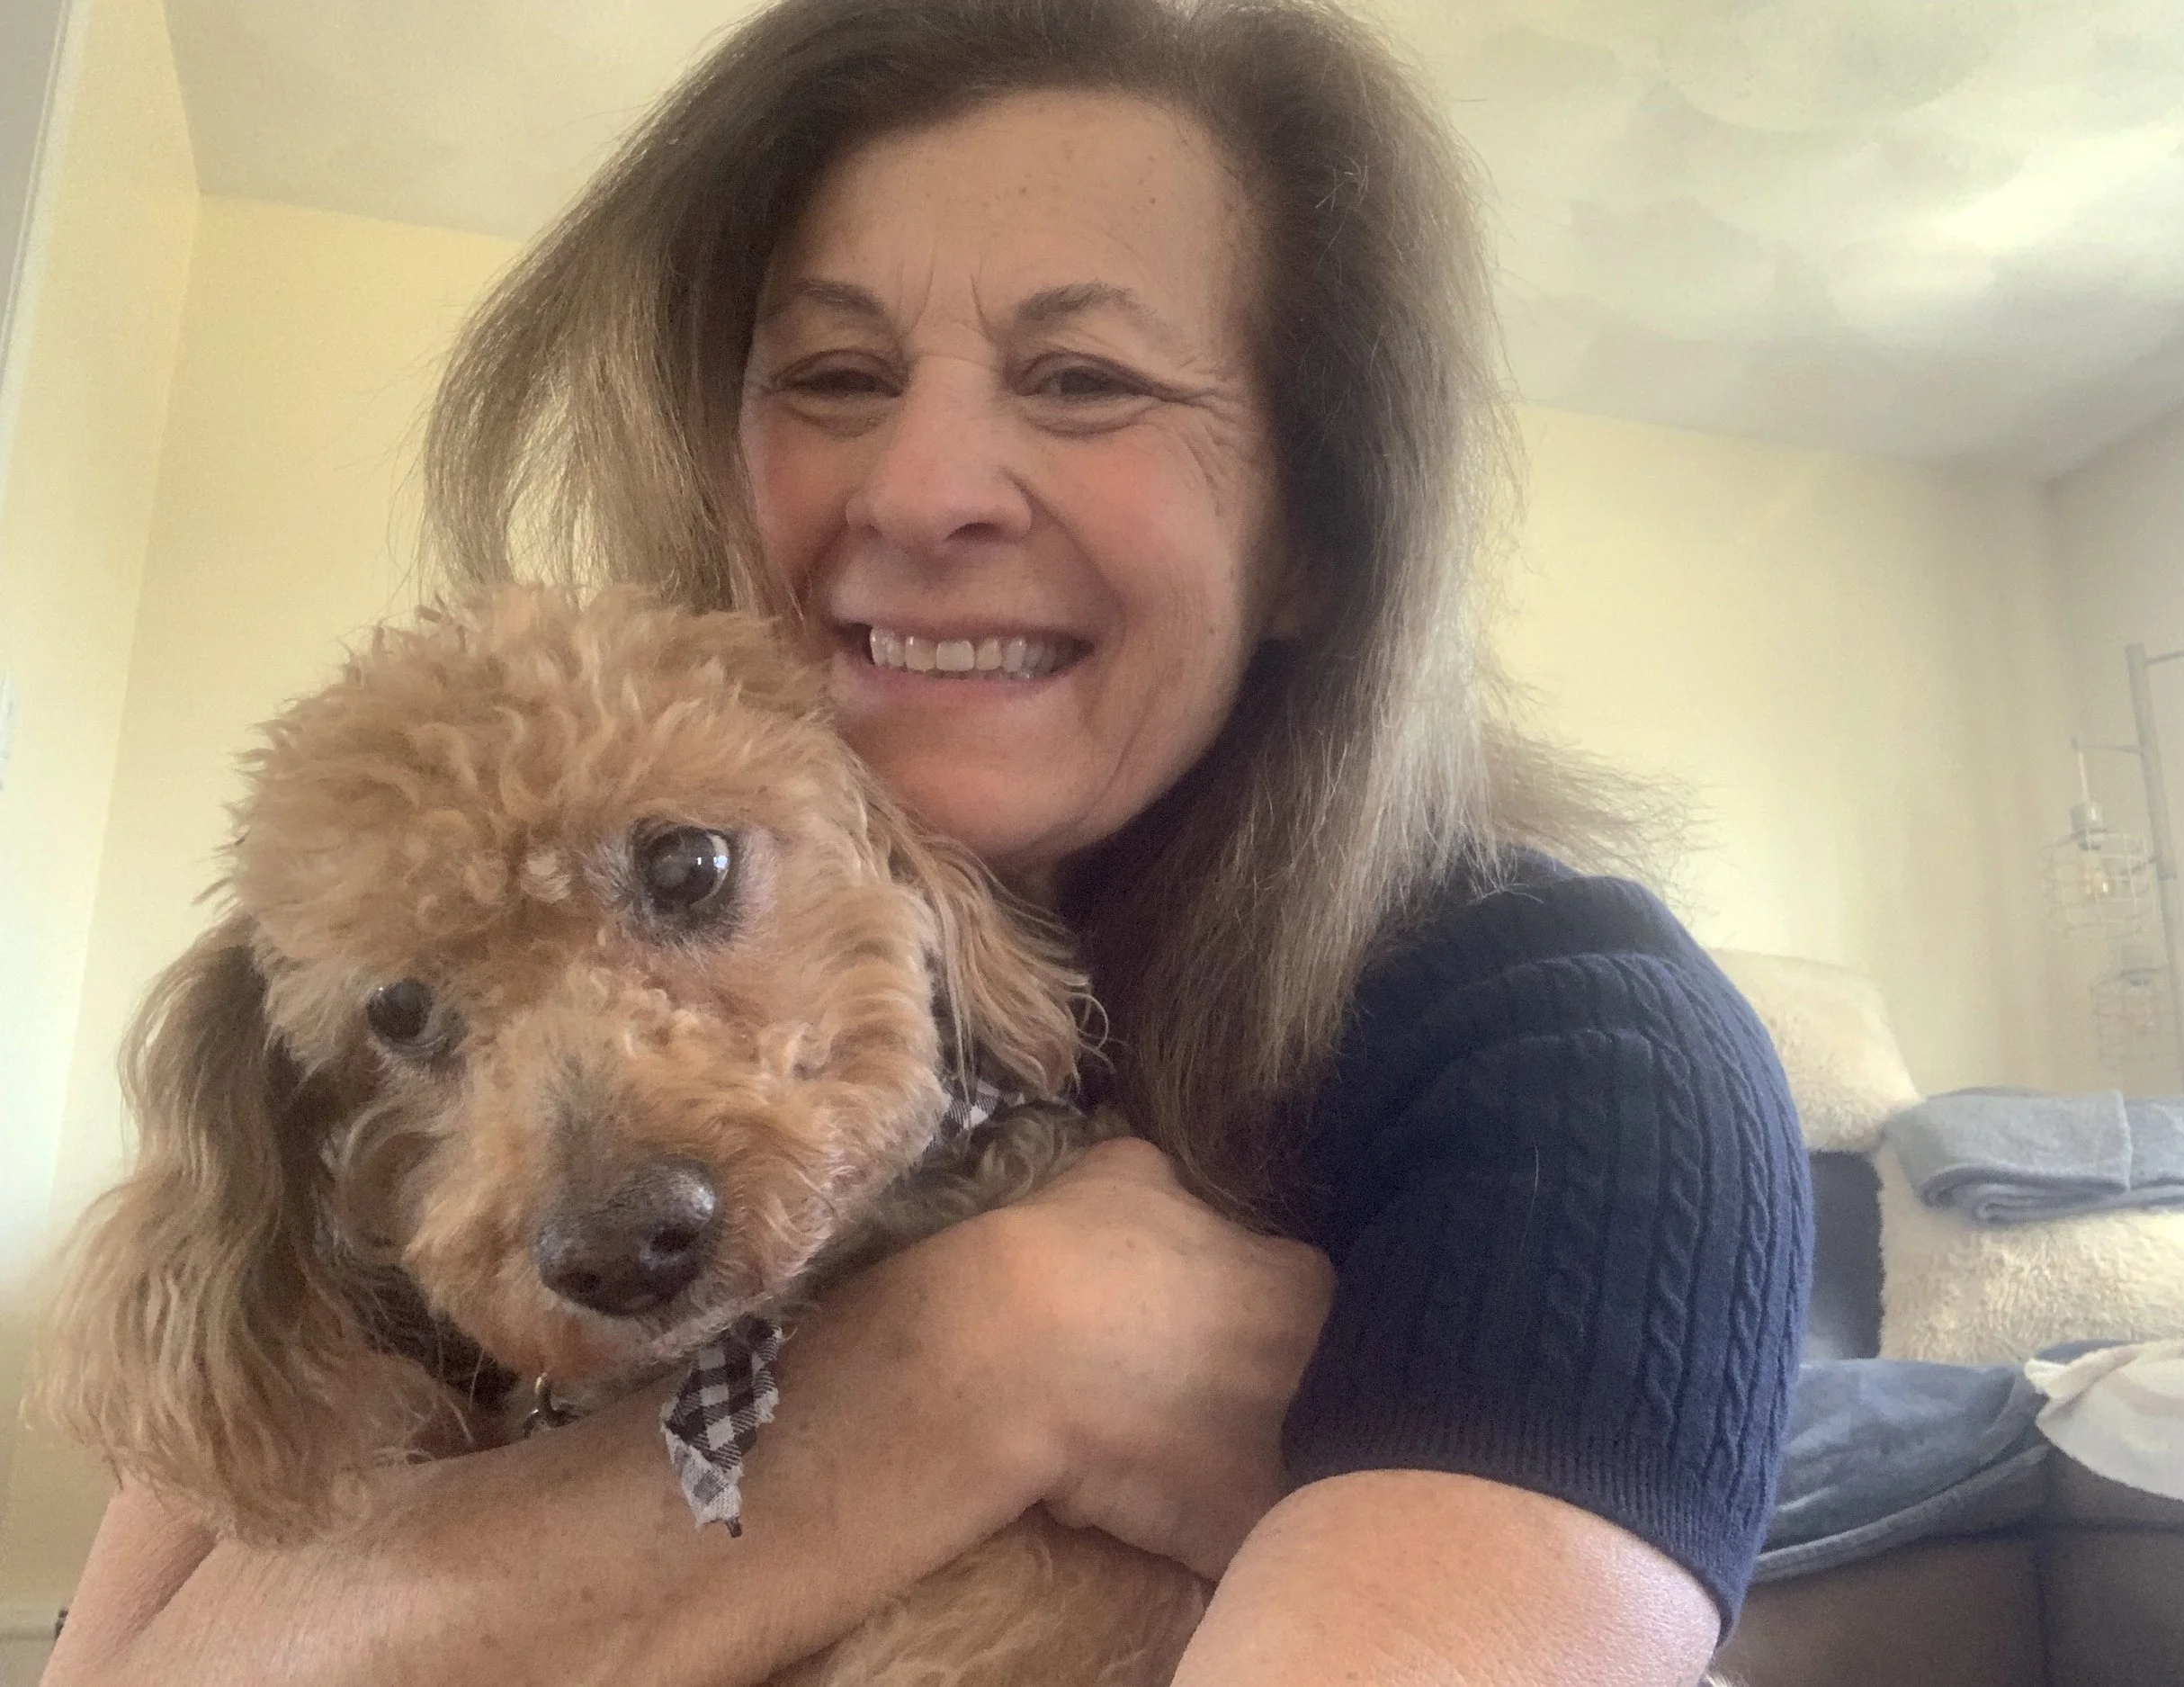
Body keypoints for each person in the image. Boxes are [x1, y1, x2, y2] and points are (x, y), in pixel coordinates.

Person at [42, 1, 1808, 1682]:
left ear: (1312, 539)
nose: (918, 486)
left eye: (1085, 377)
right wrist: (987, 1356)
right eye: (831, 372)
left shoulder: (1577, 1051)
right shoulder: (387, 1037)